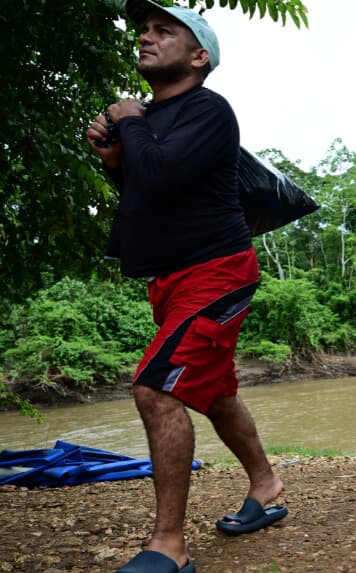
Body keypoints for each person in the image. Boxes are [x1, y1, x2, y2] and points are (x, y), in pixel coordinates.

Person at [87, 2, 285, 571]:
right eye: (144, 29)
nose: (146, 36)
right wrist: (115, 161)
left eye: (163, 30)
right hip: (171, 278)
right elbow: (148, 189)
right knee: (216, 393)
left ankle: (168, 547)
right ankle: (266, 484)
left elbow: (163, 173)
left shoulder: (209, 108)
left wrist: (126, 119)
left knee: (157, 388)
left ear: (199, 56)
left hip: (217, 270)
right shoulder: (152, 118)